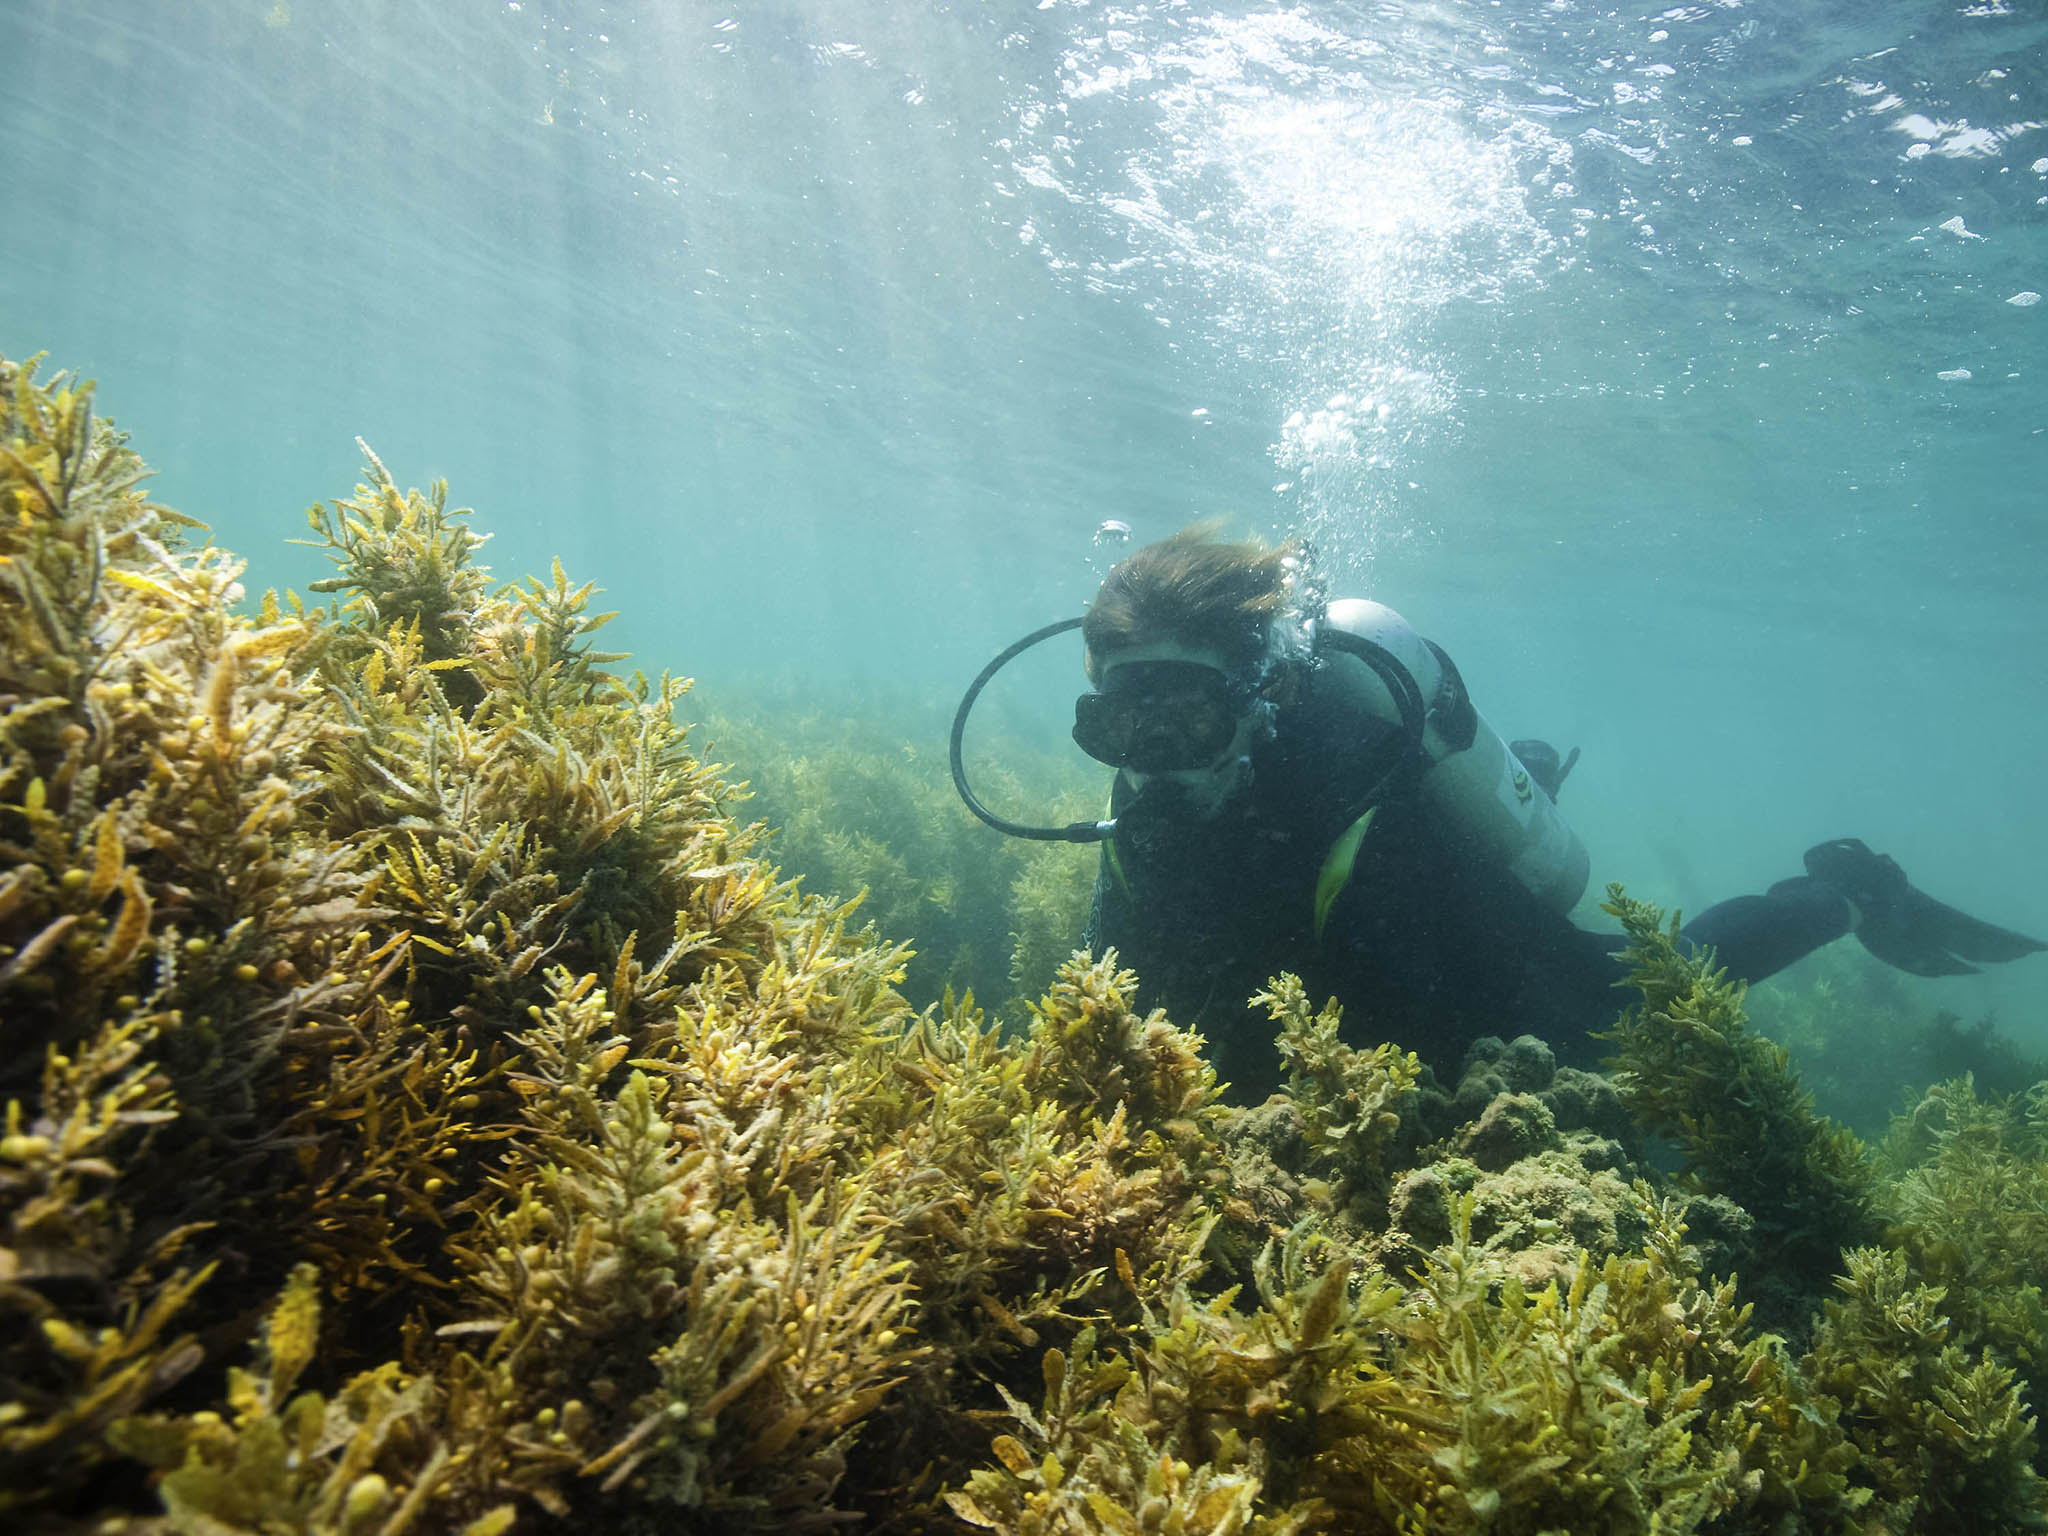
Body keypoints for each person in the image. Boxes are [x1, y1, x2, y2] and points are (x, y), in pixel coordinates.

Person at [1043, 524, 2043, 1099]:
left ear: (1266, 698)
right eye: (1121, 722)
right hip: (1341, 943)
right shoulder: (1144, 797)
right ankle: (1525, 766)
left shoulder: (1349, 792)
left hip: (1435, 910)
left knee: (1618, 1011)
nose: (1153, 757)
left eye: (1183, 714)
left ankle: (1844, 889)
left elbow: (1453, 1029)